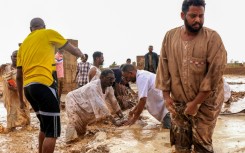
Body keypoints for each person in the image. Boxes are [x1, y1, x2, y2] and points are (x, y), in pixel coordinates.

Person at [155, 0, 227, 152]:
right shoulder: (170, 37)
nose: (198, 20)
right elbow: (163, 67)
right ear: (183, 15)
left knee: (202, 142)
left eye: (201, 16)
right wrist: (166, 97)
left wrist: (195, 103)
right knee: (181, 142)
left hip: (207, 101)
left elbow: (213, 76)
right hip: (179, 100)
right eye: (193, 16)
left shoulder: (212, 38)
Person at [16, 17, 85, 153]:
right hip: (44, 85)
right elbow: (72, 49)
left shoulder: (23, 45)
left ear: (31, 29)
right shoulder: (48, 33)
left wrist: (20, 99)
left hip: (28, 88)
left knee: (44, 126)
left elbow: (19, 76)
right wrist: (81, 55)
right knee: (52, 132)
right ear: (44, 26)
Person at [65, 69, 123, 143]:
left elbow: (114, 101)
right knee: (73, 121)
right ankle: (68, 143)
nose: (112, 81)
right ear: (102, 77)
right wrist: (115, 122)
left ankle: (79, 141)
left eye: (113, 79)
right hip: (73, 99)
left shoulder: (109, 88)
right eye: (109, 79)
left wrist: (122, 117)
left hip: (84, 104)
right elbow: (102, 106)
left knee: (82, 129)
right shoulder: (93, 87)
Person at [121, 64, 170, 128]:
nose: (126, 80)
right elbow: (142, 100)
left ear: (131, 73)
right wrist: (133, 111)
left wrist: (134, 119)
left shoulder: (141, 78)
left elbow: (143, 100)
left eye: (126, 77)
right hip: (164, 110)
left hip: (166, 110)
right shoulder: (142, 75)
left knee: (168, 134)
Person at [2, 50, 30, 133]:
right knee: (11, 110)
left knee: (24, 108)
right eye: (14, 56)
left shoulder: (24, 68)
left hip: (22, 93)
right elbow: (5, 79)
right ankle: (11, 126)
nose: (16, 58)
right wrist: (8, 85)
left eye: (18, 56)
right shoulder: (7, 68)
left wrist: (18, 88)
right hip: (11, 95)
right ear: (11, 57)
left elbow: (27, 81)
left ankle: (26, 124)